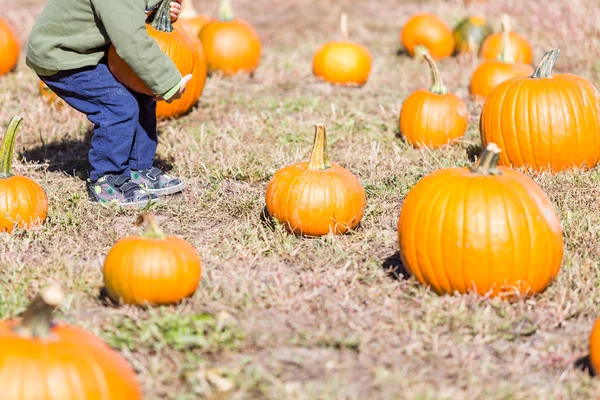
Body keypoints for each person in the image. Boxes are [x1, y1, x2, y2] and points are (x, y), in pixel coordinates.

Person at [26, 0, 193, 208]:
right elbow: (131, 40)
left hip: (91, 48)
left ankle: (138, 168)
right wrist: (169, 83)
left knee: (140, 93)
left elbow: (130, 14)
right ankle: (108, 179)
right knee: (117, 105)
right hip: (61, 53)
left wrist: (158, 11)